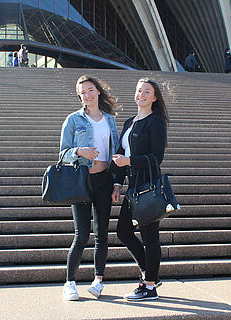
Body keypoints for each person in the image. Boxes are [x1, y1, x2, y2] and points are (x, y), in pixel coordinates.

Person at [60, 75, 120, 301]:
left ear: (98, 91)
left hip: (104, 180)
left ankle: (98, 280)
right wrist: (79, 151)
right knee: (81, 233)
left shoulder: (110, 120)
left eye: (91, 89)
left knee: (102, 234)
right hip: (83, 181)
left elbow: (115, 155)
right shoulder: (73, 120)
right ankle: (70, 282)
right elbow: (63, 153)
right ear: (80, 96)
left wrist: (116, 183)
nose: (88, 94)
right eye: (83, 92)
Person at [111, 78, 169, 301]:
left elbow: (157, 158)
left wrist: (130, 162)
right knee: (123, 232)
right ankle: (149, 273)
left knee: (149, 236)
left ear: (154, 98)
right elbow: (119, 154)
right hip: (132, 186)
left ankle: (149, 286)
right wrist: (117, 183)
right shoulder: (129, 122)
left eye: (147, 91)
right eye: (138, 91)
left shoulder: (156, 122)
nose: (141, 95)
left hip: (148, 185)